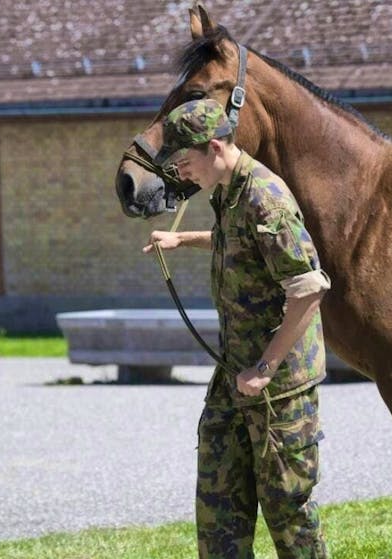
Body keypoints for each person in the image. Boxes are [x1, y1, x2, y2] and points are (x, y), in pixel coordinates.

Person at [143, 98, 331, 558]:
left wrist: (266, 367)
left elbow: (308, 289)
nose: (182, 173)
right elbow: (239, 239)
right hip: (235, 374)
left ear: (214, 147)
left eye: (186, 161)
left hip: (277, 384)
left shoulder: (266, 196)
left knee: (289, 512)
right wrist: (182, 238)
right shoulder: (228, 189)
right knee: (218, 505)